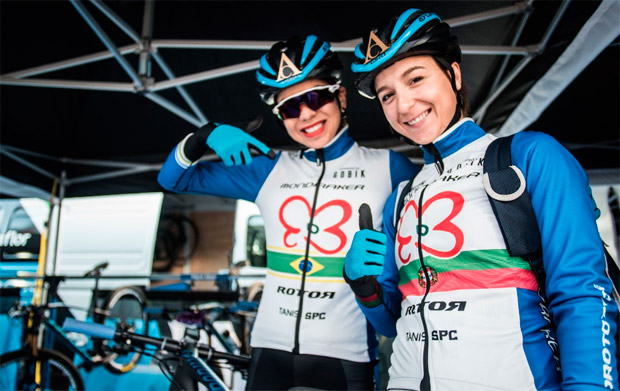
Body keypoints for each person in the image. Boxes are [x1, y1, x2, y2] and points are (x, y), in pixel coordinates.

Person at [343, 8, 619, 391]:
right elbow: (393, 322)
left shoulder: (529, 157)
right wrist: (364, 288)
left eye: (416, 79)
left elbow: (583, 291)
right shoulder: (401, 198)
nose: (404, 106)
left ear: (454, 75)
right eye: (387, 95)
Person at [158, 35, 419, 390]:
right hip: (269, 350)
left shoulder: (392, 168)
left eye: (316, 97)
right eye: (291, 107)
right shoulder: (268, 170)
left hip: (347, 353)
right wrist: (204, 136)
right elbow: (173, 180)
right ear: (280, 117)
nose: (307, 115)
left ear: (341, 96)